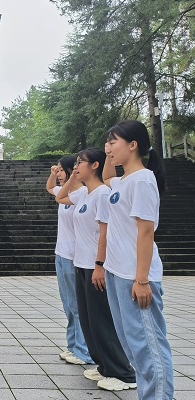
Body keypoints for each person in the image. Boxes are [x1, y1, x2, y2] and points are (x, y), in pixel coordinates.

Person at [102, 120, 173, 399]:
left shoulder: (143, 180)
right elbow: (107, 178)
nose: (108, 148)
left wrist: (142, 280)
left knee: (148, 347)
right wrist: (108, 151)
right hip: (117, 272)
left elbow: (146, 232)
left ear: (133, 146)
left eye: (114, 142)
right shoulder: (122, 181)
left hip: (136, 276)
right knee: (133, 346)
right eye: (107, 143)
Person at [56, 148, 137, 392]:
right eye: (76, 162)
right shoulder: (84, 195)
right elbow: (60, 197)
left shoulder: (102, 193)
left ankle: (123, 373)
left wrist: (99, 266)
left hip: (95, 267)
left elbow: (104, 233)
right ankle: (104, 366)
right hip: (80, 264)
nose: (76, 166)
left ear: (95, 166)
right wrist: (71, 178)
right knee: (90, 320)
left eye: (81, 163)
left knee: (102, 321)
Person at [46, 155, 92, 365]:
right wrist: (53, 175)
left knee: (76, 305)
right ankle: (73, 345)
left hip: (75, 257)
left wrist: (71, 179)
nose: (61, 175)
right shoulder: (67, 193)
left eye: (63, 171)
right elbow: (50, 190)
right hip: (61, 255)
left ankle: (83, 350)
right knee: (68, 304)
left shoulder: (82, 194)